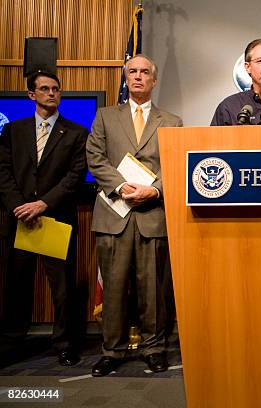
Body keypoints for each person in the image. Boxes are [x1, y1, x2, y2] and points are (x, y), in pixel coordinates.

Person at [86, 54, 183, 376]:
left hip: (152, 214)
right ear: (126, 78)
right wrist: (123, 186)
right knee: (113, 287)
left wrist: (154, 190)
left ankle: (154, 348)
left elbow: (177, 164)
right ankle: (111, 351)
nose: (138, 76)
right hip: (114, 214)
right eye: (132, 72)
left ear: (153, 81)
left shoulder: (171, 121)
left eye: (145, 72)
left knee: (153, 290)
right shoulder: (104, 116)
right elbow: (95, 157)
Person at [0, 71, 87, 366]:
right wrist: (19, 206)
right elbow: (4, 173)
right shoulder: (14, 131)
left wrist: (43, 203)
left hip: (56, 218)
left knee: (62, 288)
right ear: (31, 95)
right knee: (16, 285)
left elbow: (74, 177)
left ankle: (65, 343)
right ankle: (12, 342)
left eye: (55, 89)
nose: (51, 93)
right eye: (44, 89)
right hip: (20, 220)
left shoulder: (75, 132)